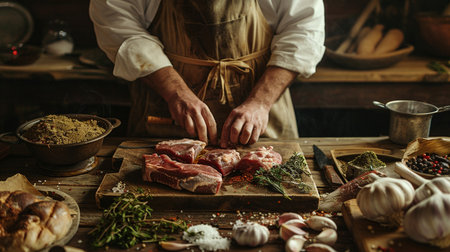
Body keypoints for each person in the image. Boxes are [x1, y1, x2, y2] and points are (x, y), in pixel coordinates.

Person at [89, 0, 325, 148]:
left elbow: (304, 31)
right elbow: (118, 26)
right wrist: (176, 93)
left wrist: (260, 102)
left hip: (265, 112)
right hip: (163, 112)